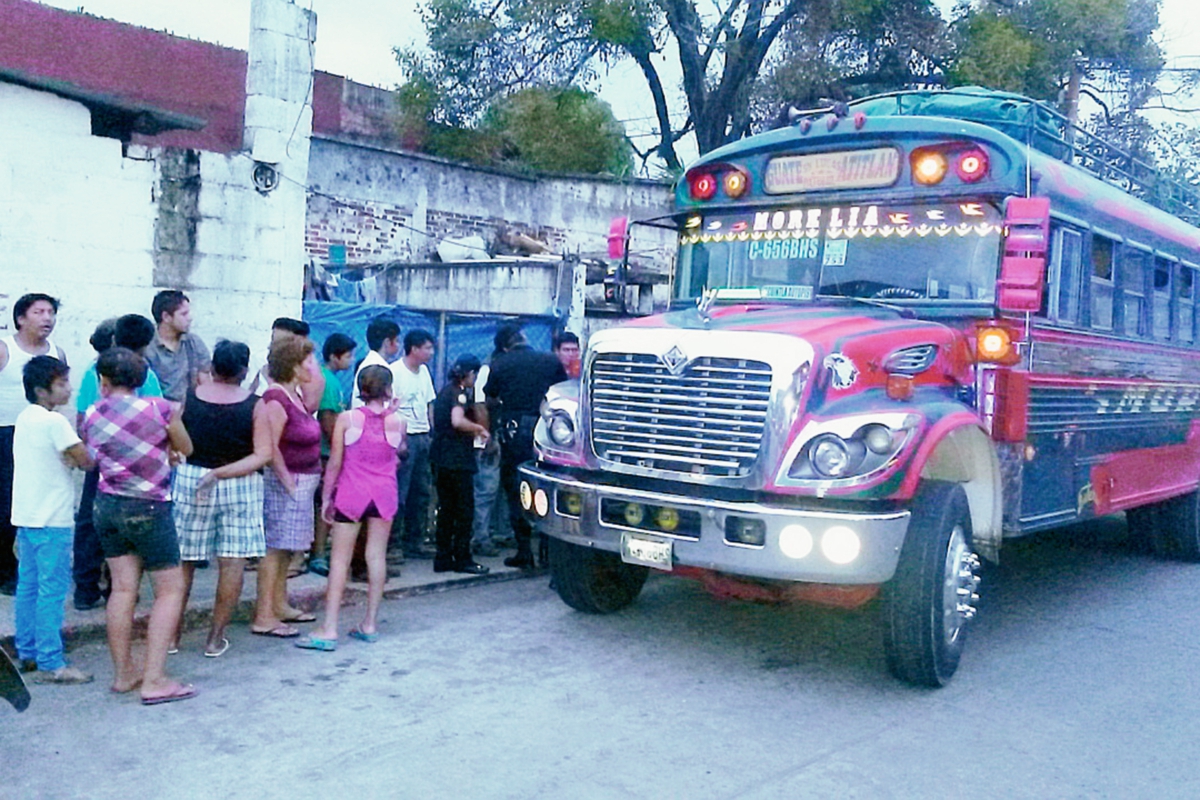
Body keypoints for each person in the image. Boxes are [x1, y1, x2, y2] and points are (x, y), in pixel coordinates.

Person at [84, 347, 196, 704]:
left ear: (103, 380)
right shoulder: (159, 409)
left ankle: (124, 673)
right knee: (169, 591)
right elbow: (186, 447)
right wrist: (168, 450)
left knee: (121, 589)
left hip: (107, 504)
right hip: (149, 505)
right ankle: (154, 679)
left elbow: (99, 452)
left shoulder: (91, 413)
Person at [171, 341, 274, 658]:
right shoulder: (255, 405)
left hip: (192, 479)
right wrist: (222, 472)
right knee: (232, 562)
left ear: (213, 367)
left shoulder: (190, 397)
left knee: (184, 562)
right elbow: (263, 455)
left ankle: (172, 637)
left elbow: (174, 435)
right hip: (240, 485)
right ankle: (215, 639)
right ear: (244, 371)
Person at [297, 366, 405, 652]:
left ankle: (330, 627)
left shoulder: (347, 419)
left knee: (339, 560)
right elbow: (394, 454)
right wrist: (389, 409)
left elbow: (335, 462)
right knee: (376, 556)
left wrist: (327, 496)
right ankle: (370, 623)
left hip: (352, 492)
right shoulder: (398, 421)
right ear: (388, 389)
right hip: (384, 493)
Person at [72, 315, 166, 610]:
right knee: (131, 525)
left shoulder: (94, 371)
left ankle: (85, 588)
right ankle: (120, 587)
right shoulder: (145, 374)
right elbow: (159, 419)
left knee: (89, 521)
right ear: (146, 343)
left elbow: (81, 419)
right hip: (138, 463)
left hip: (101, 457)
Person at [12, 356, 94, 684]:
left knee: (28, 587)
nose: (68, 389)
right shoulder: (55, 422)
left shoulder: (25, 418)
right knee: (52, 590)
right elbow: (85, 460)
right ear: (41, 390)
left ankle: (28, 650)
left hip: (27, 516)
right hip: (53, 518)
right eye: (61, 384)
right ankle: (51, 661)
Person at [252, 336, 321, 638]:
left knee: (285, 550)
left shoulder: (295, 395)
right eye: (308, 361)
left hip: (301, 480)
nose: (313, 367)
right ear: (294, 365)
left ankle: (278, 604)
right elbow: (271, 445)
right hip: (287, 482)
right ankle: (264, 614)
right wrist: (287, 482)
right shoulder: (276, 398)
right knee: (274, 549)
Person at [0, 293, 67, 596]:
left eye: (51, 312)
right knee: (5, 502)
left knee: (38, 498)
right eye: (39, 312)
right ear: (20, 318)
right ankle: (5, 567)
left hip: (42, 433)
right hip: (6, 432)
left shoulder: (56, 352)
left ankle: (28, 565)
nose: (47, 318)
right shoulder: (5, 349)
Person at [485, 323, 567, 569]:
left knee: (515, 490)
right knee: (549, 487)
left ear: (503, 346)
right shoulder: (550, 360)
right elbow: (561, 391)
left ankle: (524, 553)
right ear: (523, 338)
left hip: (514, 430)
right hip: (546, 429)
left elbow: (490, 398)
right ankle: (547, 553)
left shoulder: (500, 363)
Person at [432, 355, 491, 575]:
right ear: (469, 373)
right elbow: (457, 420)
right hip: (458, 459)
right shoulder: (460, 394)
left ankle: (443, 556)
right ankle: (462, 557)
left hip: (441, 457)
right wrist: (478, 429)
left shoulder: (444, 391)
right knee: (464, 510)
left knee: (446, 509)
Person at [310, 332, 357, 578]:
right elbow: (327, 420)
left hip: (328, 451)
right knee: (325, 503)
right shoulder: (328, 382)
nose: (351, 360)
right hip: (326, 453)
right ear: (334, 356)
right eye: (348, 356)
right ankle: (318, 554)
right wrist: (340, 451)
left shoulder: (332, 380)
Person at [390, 329, 437, 560]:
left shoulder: (424, 372)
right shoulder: (395, 372)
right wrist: (397, 440)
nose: (431, 352)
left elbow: (429, 403)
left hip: (422, 435)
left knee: (421, 491)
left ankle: (415, 541)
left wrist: (430, 431)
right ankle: (394, 543)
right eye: (427, 347)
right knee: (400, 491)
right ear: (414, 348)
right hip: (404, 437)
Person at [144, 289, 211, 403]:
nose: (190, 318)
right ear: (166, 317)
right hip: (157, 408)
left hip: (190, 408)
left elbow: (205, 383)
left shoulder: (194, 342)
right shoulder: (147, 347)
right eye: (184, 314)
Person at [352, 316, 400, 398]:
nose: (398, 345)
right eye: (397, 340)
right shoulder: (377, 368)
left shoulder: (372, 362)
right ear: (387, 342)